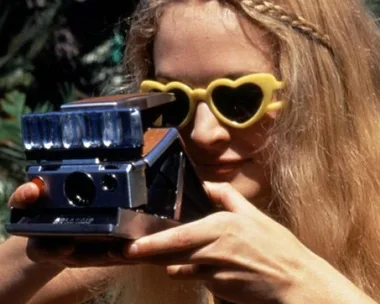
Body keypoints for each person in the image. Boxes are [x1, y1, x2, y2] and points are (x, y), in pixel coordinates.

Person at [2, 0, 380, 303]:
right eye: (174, 102)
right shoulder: (154, 224)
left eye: (239, 99)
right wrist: (49, 235)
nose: (202, 133)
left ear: (323, 98)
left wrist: (298, 282)